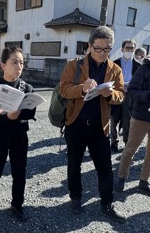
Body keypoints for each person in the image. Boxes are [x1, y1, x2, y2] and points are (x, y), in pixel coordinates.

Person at [60, 25, 126, 223]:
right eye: (98, 48)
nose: (103, 53)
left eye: (107, 49)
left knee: (105, 167)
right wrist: (82, 88)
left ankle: (107, 203)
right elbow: (63, 89)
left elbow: (121, 95)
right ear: (90, 46)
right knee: (74, 164)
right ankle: (75, 198)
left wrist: (110, 94)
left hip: (100, 126)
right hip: (76, 124)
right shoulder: (75, 65)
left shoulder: (115, 69)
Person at [0, 47, 35, 222]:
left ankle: (17, 205)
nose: (19, 66)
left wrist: (19, 114)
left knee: (19, 172)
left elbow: (30, 113)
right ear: (2, 65)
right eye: (14, 62)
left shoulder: (27, 87)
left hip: (19, 136)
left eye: (21, 63)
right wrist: (6, 116)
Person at [115, 55, 150, 194]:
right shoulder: (144, 69)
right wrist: (148, 95)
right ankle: (122, 178)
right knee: (130, 149)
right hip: (141, 116)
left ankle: (144, 181)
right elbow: (132, 91)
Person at [110, 39, 141, 153]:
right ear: (122, 49)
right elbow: (109, 79)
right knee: (114, 118)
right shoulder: (114, 63)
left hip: (130, 96)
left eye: (132, 48)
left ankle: (127, 142)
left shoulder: (138, 65)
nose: (130, 50)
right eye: (127, 48)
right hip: (116, 93)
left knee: (127, 119)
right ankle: (114, 142)